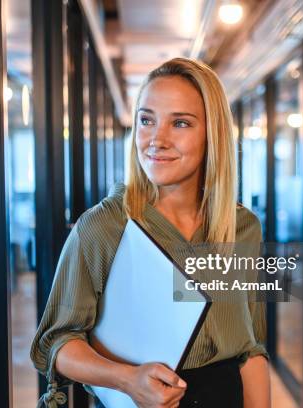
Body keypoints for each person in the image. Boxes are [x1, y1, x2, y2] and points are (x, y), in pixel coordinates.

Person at [31, 57, 270, 408]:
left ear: (212, 134)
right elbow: (57, 342)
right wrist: (127, 380)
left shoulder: (242, 227)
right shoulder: (104, 226)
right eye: (146, 120)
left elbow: (250, 349)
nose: (157, 139)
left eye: (181, 123)